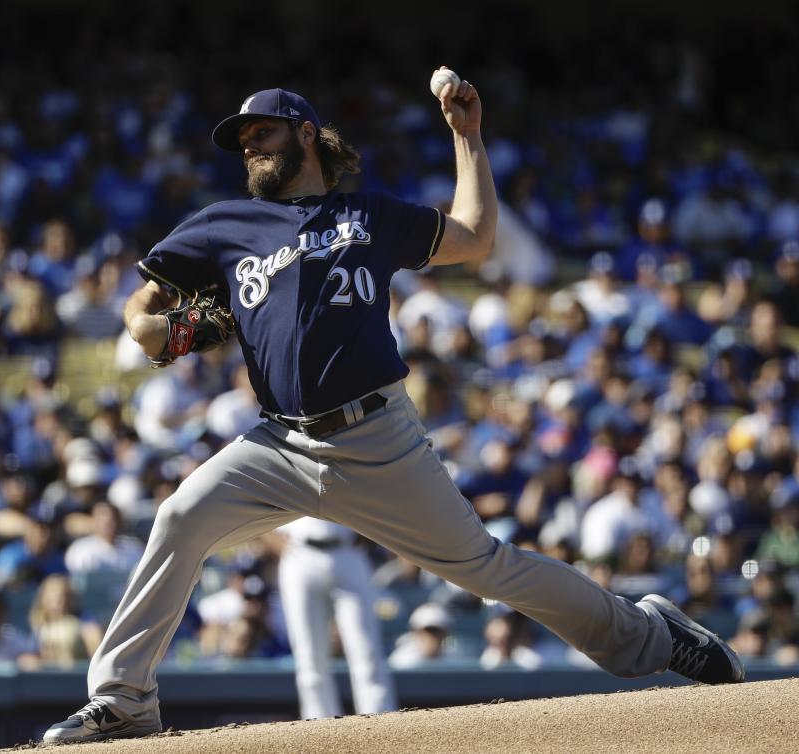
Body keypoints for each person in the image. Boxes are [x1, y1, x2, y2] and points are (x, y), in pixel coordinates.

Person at [43, 71, 744, 745]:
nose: (250, 145)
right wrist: (144, 323)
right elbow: (147, 294)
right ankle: (124, 700)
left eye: (263, 132)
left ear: (307, 134)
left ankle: (653, 635)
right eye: (244, 138)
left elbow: (473, 236)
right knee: (179, 517)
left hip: (376, 437)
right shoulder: (224, 225)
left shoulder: (367, 215)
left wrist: (468, 139)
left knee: (487, 568)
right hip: (278, 445)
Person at [276, 517, 396, 720]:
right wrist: (272, 541)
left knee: (366, 651)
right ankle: (319, 729)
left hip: (347, 551)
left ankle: (380, 724)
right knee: (309, 656)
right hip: (298, 552)